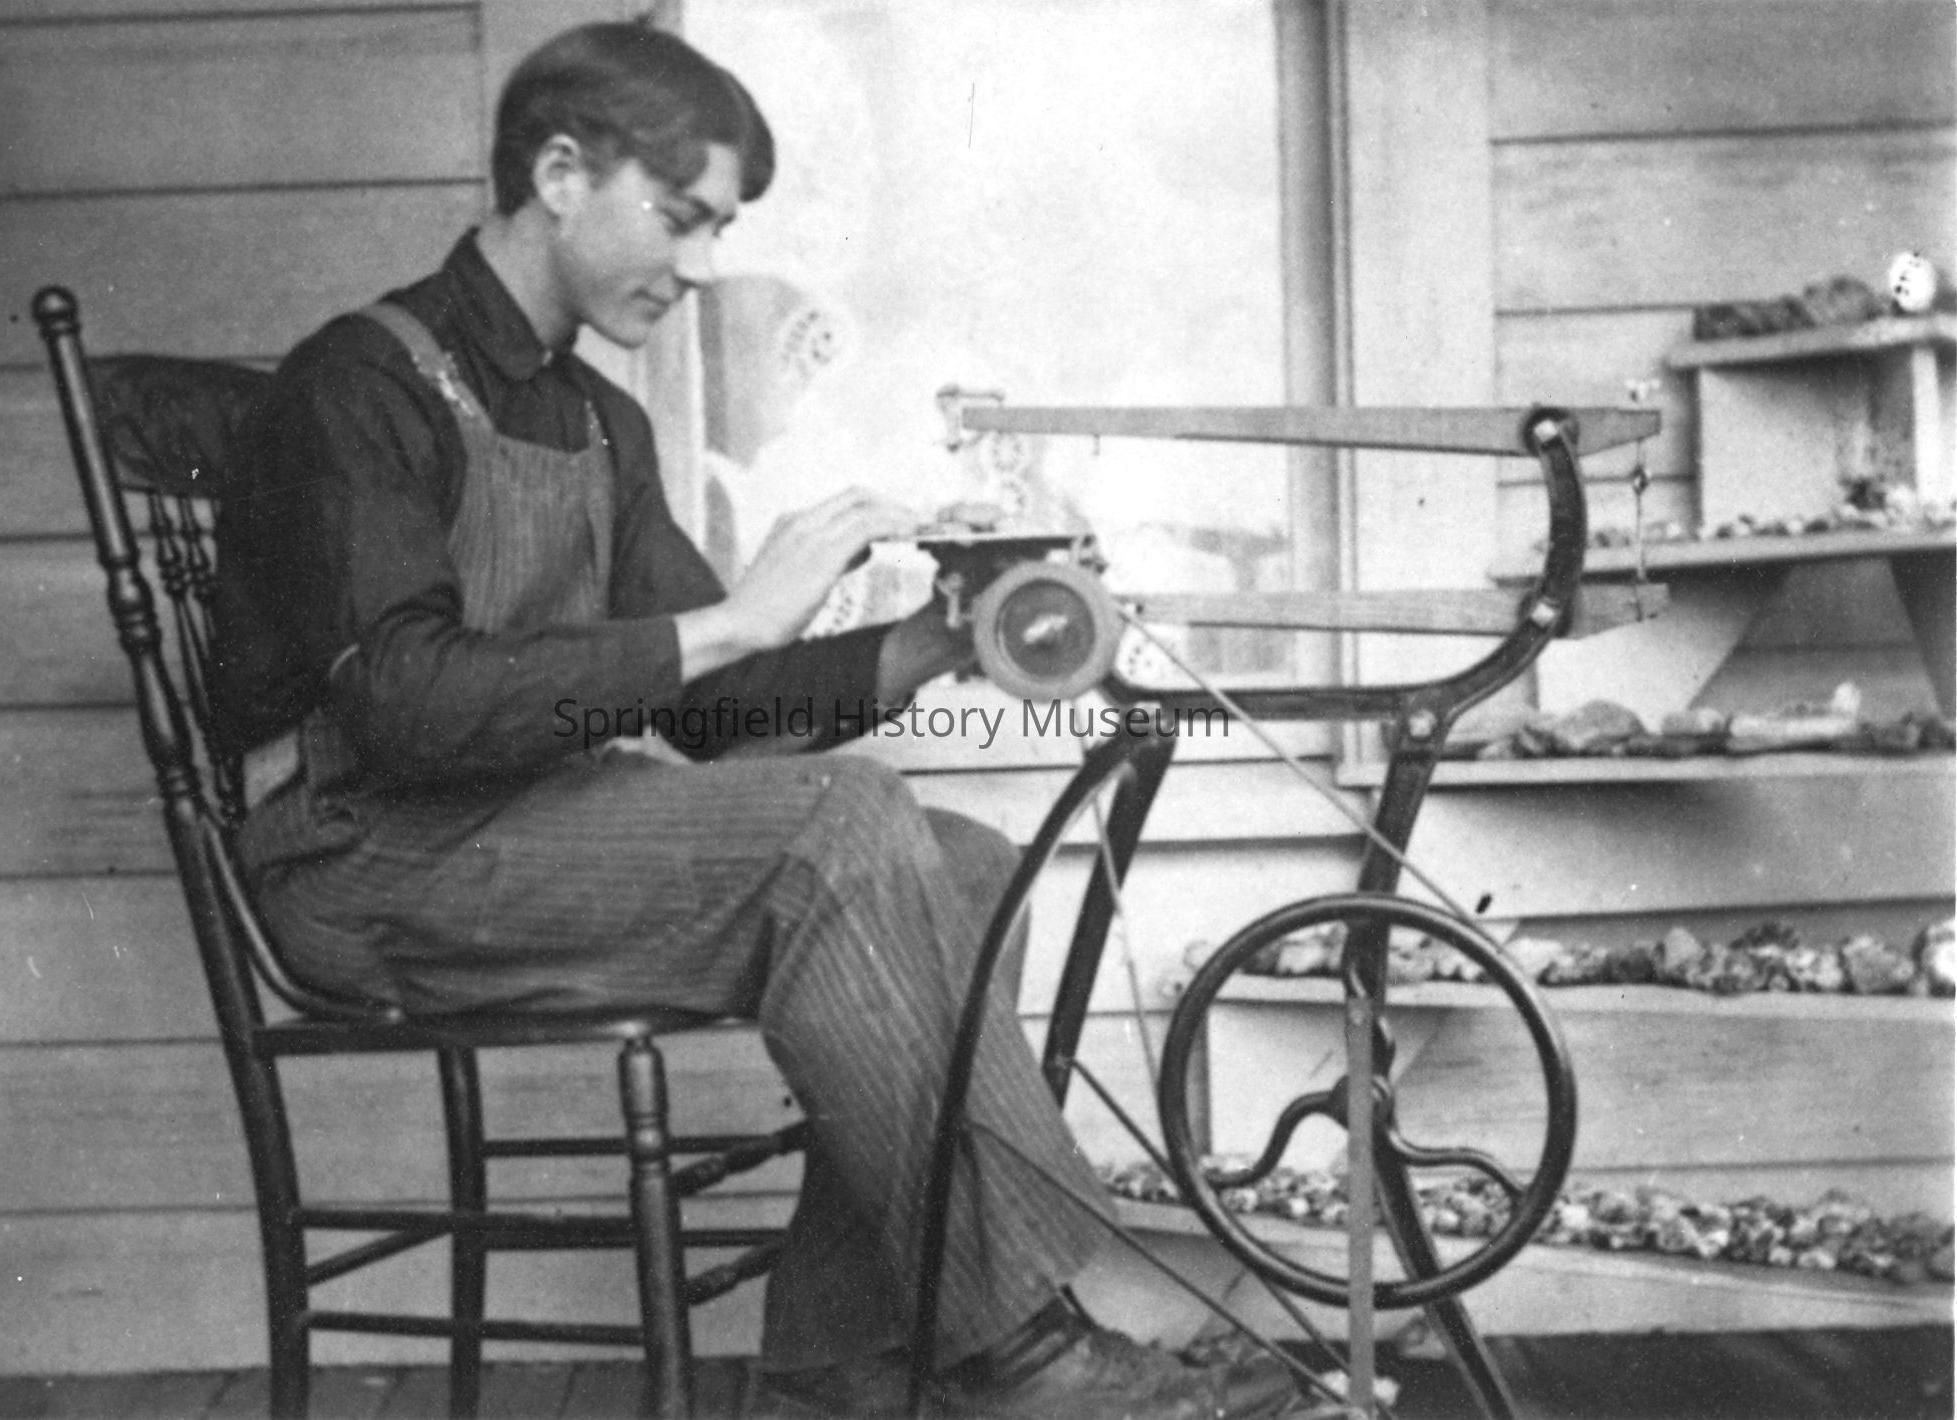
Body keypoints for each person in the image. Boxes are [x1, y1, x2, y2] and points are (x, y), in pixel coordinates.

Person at [212, 19, 1306, 1419]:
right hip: (360, 856)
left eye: (720, 229)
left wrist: (935, 640)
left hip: (518, 829)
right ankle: (1022, 1350)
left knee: (966, 866)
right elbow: (412, 707)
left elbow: (715, 712)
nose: (702, 265)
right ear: (560, 174)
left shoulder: (597, 421)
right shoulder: (360, 383)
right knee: (844, 820)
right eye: (682, 217)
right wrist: (737, 615)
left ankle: (845, 1356)